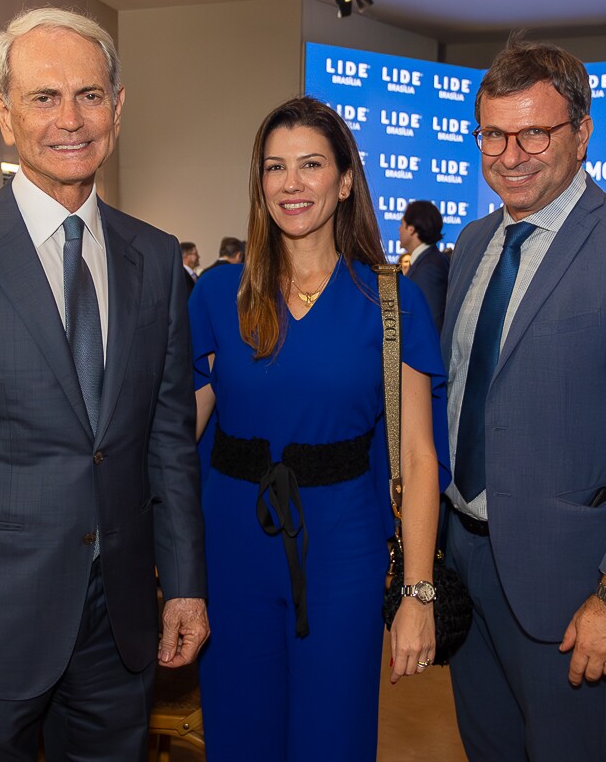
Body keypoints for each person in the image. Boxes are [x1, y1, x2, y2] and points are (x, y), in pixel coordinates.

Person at [0, 6, 208, 761]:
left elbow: (166, 439)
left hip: (118, 620)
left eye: (89, 95)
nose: (70, 119)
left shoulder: (153, 259)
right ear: (4, 114)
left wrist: (184, 582)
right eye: (43, 97)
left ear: (117, 108)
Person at [442, 41, 606, 760]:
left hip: (570, 584)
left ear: (582, 132)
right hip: (467, 564)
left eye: (535, 132)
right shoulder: (473, 244)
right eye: (494, 134)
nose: (511, 154)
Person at [188, 96, 448, 760]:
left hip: (344, 550)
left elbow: (419, 457)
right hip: (231, 546)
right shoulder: (218, 295)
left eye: (310, 165)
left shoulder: (390, 299)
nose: (291, 184)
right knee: (240, 733)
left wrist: (418, 594)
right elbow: (177, 439)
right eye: (275, 167)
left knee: (332, 736)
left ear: (345, 180)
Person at [399, 199, 449, 332]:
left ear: (411, 229)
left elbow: (430, 324)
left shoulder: (429, 268)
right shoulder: (428, 261)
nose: (399, 229)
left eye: (401, 224)